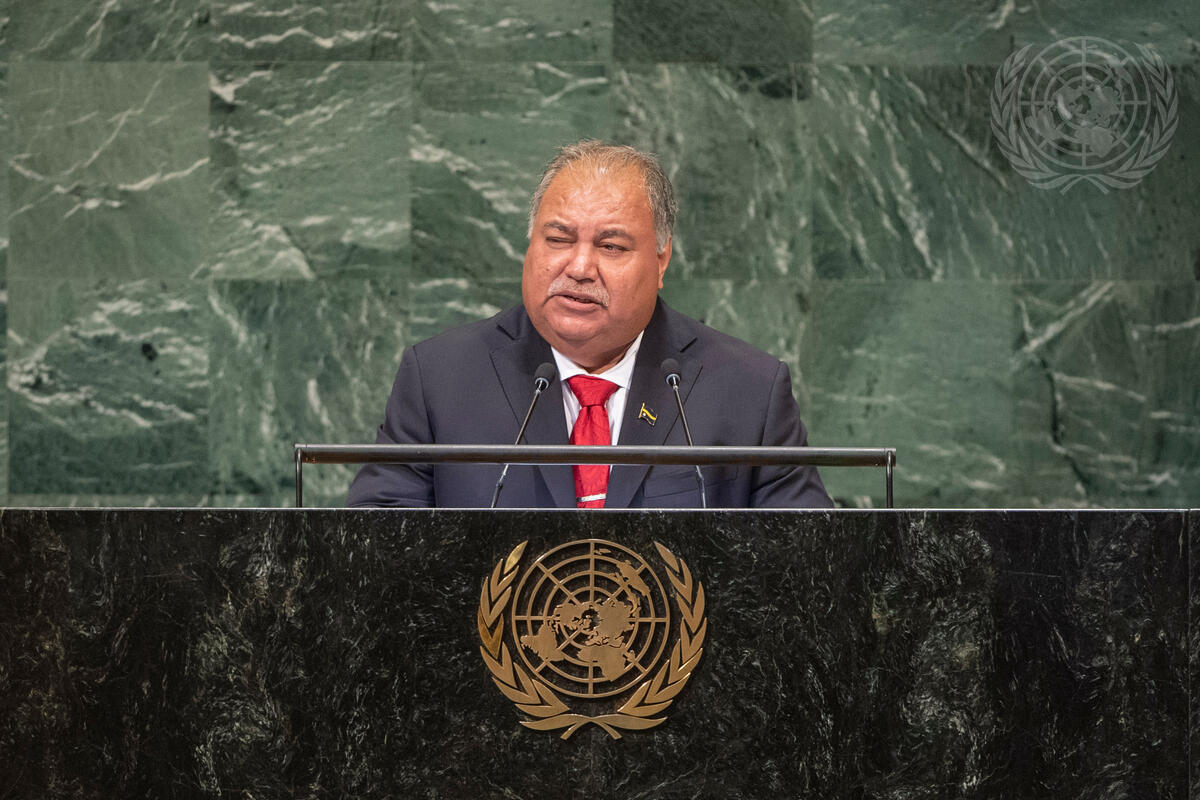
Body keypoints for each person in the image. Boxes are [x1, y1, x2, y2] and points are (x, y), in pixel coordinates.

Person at [347, 140, 832, 508]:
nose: (579, 267)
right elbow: (376, 549)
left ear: (661, 260)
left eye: (611, 247)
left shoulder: (748, 390)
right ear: (530, 245)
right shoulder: (439, 378)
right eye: (558, 239)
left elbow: (807, 566)